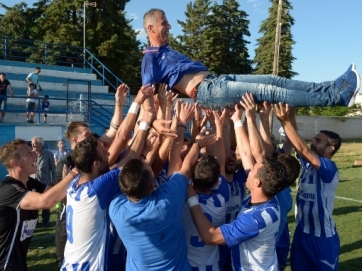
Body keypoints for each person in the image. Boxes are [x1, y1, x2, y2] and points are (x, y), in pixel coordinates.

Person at [142, 9, 361, 109]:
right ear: (151, 28)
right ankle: (336, 98)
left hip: (218, 80)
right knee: (272, 93)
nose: (169, 26)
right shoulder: (150, 58)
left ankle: (333, 88)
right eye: (164, 23)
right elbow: (146, 93)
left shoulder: (166, 51)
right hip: (206, 92)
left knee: (275, 81)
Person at [109, 128, 216, 270]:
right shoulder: (167, 201)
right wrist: (196, 143)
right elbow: (186, 168)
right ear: (153, 186)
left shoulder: (115, 209)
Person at [273, 103, 342, 271]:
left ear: (330, 148)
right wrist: (292, 114)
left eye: (318, 141)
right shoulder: (308, 164)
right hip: (301, 234)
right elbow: (298, 145)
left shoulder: (328, 167)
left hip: (323, 239)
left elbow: (302, 148)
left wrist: (284, 121)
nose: (313, 142)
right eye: (314, 139)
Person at [0, 138, 79, 271]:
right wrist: (75, 172)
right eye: (29, 153)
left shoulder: (30, 183)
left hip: (18, 264)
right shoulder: (7, 189)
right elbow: (45, 202)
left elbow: (57, 194)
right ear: (15, 162)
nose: (36, 154)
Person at [31, 136, 56, 228]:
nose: (33, 145)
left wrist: (54, 180)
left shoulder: (48, 154)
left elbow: (53, 169)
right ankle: (35, 222)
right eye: (32, 143)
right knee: (34, 204)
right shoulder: (31, 154)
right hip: (33, 182)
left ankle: (45, 222)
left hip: (45, 183)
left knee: (46, 203)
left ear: (41, 145)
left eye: (35, 144)